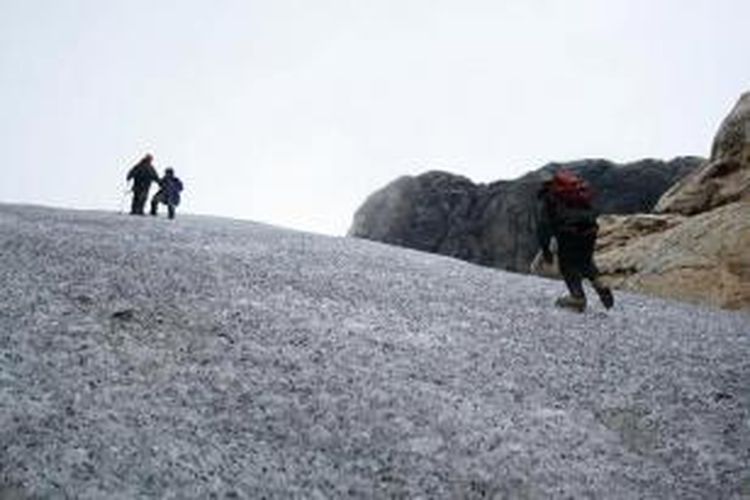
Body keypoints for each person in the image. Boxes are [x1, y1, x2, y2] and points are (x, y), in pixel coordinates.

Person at [536, 169, 614, 312]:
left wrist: (546, 250)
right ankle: (600, 284)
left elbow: (543, 227)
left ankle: (577, 298)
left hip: (568, 232)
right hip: (590, 229)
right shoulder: (574, 192)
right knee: (585, 260)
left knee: (567, 265)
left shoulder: (548, 197)